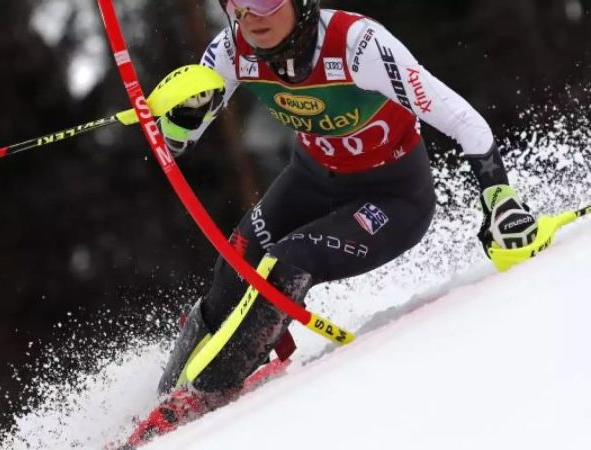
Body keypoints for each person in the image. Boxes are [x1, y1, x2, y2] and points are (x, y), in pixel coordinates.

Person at [126, 0, 540, 444]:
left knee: (291, 261)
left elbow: (463, 121)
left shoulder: (358, 47)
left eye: (267, 0)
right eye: (237, 2)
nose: (252, 15)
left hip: (391, 198)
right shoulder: (233, 50)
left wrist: (500, 199)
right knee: (237, 257)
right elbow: (179, 143)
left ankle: (208, 394)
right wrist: (178, 121)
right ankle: (165, 401)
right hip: (310, 179)